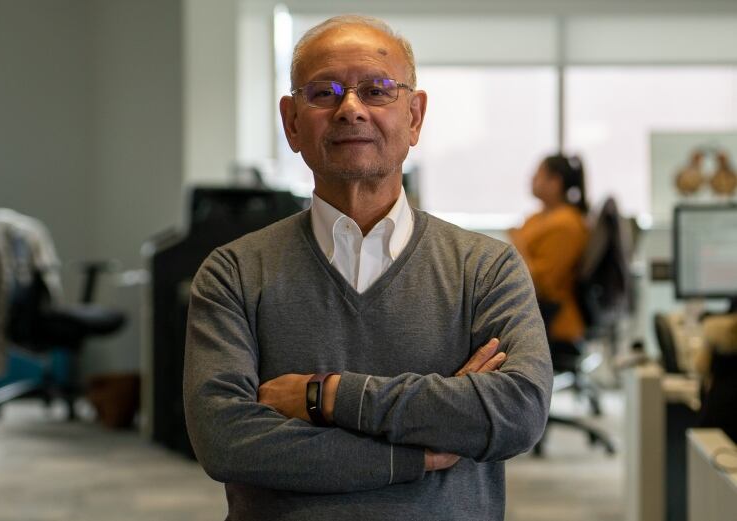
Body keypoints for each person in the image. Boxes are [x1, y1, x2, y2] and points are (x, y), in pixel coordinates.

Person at [184, 15, 552, 521]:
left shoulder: (485, 268)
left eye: (377, 91)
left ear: (415, 117)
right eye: (324, 93)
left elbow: (516, 412)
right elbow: (225, 440)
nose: (350, 108)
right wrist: (415, 454)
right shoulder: (234, 273)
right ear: (292, 122)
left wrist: (324, 397)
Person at [509, 154, 590, 343]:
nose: (532, 179)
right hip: (530, 312)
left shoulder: (566, 224)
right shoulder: (537, 218)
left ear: (555, 182)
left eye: (538, 174)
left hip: (552, 318)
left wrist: (517, 246)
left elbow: (542, 286)